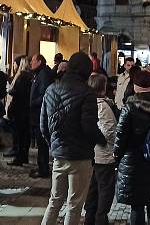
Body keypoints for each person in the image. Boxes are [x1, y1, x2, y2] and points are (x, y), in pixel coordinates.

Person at [40, 52, 106, 225]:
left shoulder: (51, 89)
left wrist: (54, 146)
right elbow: (89, 127)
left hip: (59, 155)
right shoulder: (87, 93)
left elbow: (43, 126)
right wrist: (101, 141)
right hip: (80, 156)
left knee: (54, 201)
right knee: (74, 205)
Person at [113, 70, 150, 225]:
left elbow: (120, 137)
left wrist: (116, 158)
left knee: (137, 206)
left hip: (134, 162)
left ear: (135, 86)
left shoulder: (129, 107)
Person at [83, 73, 118, 225]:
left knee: (93, 189)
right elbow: (109, 133)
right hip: (103, 155)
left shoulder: (89, 103)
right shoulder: (102, 107)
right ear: (103, 89)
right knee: (105, 190)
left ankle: (90, 218)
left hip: (93, 155)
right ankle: (100, 219)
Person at [29, 54, 55, 178]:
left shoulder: (43, 74)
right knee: (41, 143)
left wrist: (31, 103)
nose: (31, 63)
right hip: (38, 113)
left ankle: (43, 169)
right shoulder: (40, 73)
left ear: (39, 61)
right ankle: (41, 167)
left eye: (33, 61)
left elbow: (44, 94)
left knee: (42, 143)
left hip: (40, 113)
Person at [7, 55, 32, 166]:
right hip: (27, 109)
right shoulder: (31, 76)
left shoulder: (22, 77)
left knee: (20, 135)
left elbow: (15, 92)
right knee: (25, 135)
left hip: (19, 109)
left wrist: (11, 90)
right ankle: (24, 156)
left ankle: (19, 157)